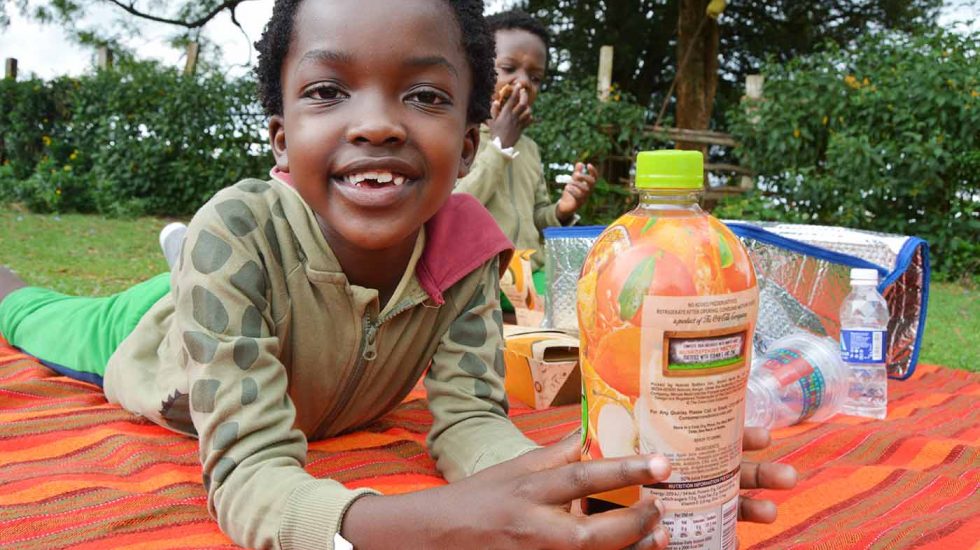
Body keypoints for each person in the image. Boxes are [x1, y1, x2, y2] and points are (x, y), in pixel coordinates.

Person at [0, 1, 797, 549]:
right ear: (281, 139)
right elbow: (248, 473)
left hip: (250, 310)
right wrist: (414, 528)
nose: (378, 122)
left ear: (468, 132)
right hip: (159, 336)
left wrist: (595, 489)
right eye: (326, 90)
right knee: (35, 315)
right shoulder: (236, 229)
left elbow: (471, 420)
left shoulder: (467, 247)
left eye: (423, 94)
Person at [454, 9, 599, 294]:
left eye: (535, 78)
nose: (522, 83)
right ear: (480, 70)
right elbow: (453, 208)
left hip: (530, 278)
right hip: (477, 280)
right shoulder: (460, 137)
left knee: (590, 291)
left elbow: (535, 217)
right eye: (508, 69)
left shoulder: (529, 147)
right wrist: (499, 146)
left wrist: (563, 209)